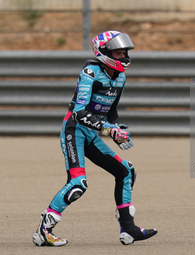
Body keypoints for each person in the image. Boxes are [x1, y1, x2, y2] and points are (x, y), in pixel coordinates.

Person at [32, 30, 158, 246]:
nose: (124, 57)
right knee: (78, 184)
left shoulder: (121, 78)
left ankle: (128, 230)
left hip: (91, 134)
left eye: (125, 52)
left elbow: (111, 113)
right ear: (104, 53)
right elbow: (79, 113)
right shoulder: (90, 73)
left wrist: (116, 129)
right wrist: (109, 130)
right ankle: (43, 231)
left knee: (126, 171)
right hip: (74, 131)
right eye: (118, 53)